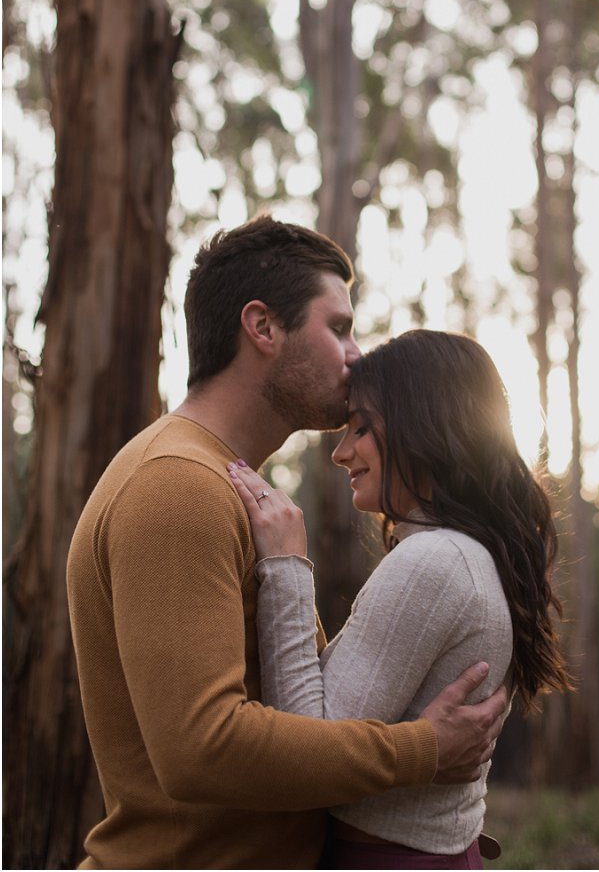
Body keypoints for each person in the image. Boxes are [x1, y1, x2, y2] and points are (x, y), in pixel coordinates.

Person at [66, 216, 507, 871]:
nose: (356, 353)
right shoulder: (176, 485)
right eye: (337, 327)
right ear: (262, 327)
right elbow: (202, 750)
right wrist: (422, 751)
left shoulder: (222, 483)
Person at [230, 328, 570, 870]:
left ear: (424, 428)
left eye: (361, 428)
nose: (341, 453)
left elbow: (309, 751)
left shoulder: (433, 562)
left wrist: (286, 566)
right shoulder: (476, 553)